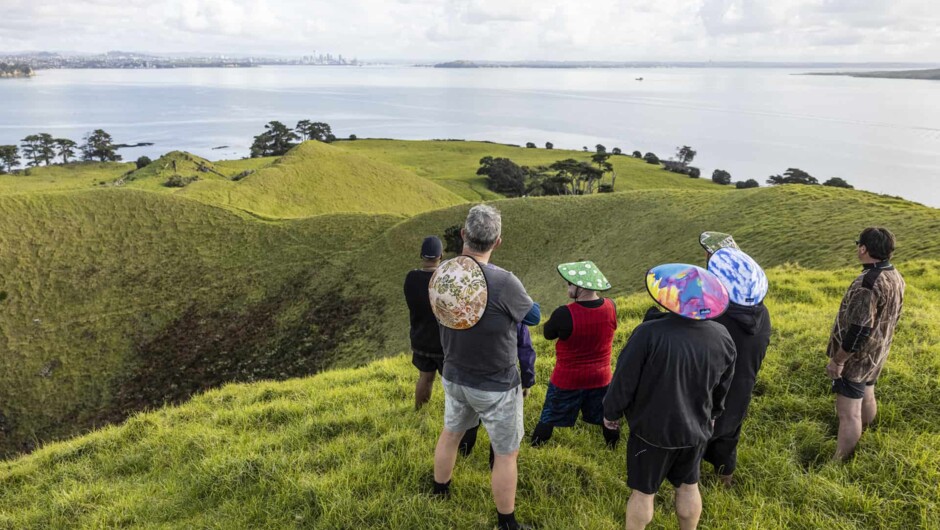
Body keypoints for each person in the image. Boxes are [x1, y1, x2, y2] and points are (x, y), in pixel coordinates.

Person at [431, 204, 540, 530]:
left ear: (464, 235)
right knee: (506, 453)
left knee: (451, 433)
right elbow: (532, 316)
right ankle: (507, 522)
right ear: (498, 242)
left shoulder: (443, 272)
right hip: (496, 383)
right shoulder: (505, 282)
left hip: (453, 373)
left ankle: (439, 491)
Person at [604, 265, 736, 530]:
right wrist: (713, 416)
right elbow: (722, 387)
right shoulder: (722, 337)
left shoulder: (648, 334)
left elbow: (624, 381)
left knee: (643, 492)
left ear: (670, 297)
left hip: (651, 432)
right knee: (689, 485)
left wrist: (611, 413)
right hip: (696, 430)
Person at [826, 227, 905, 460]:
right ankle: (866, 433)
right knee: (867, 392)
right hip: (878, 352)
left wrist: (839, 360)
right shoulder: (895, 275)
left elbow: (859, 329)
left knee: (848, 414)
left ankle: (839, 461)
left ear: (863, 249)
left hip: (857, 357)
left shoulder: (867, 284)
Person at [701, 243, 772, 487]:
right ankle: (724, 480)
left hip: (709, 394)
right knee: (729, 435)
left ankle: (689, 483)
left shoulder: (715, 322)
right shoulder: (762, 317)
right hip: (741, 389)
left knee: (697, 437)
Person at [531, 260, 620, 448]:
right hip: (601, 377)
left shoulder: (564, 313)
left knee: (549, 416)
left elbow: (548, 334)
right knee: (607, 417)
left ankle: (535, 447)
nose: (567, 286)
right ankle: (613, 448)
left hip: (568, 379)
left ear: (580, 287)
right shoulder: (611, 307)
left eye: (570, 283)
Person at [403, 236, 446, 410]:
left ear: (422, 255)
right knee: (451, 384)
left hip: (420, 338)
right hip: (443, 342)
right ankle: (454, 418)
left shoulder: (411, 278)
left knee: (425, 378)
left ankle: (419, 411)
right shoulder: (444, 279)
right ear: (440, 255)